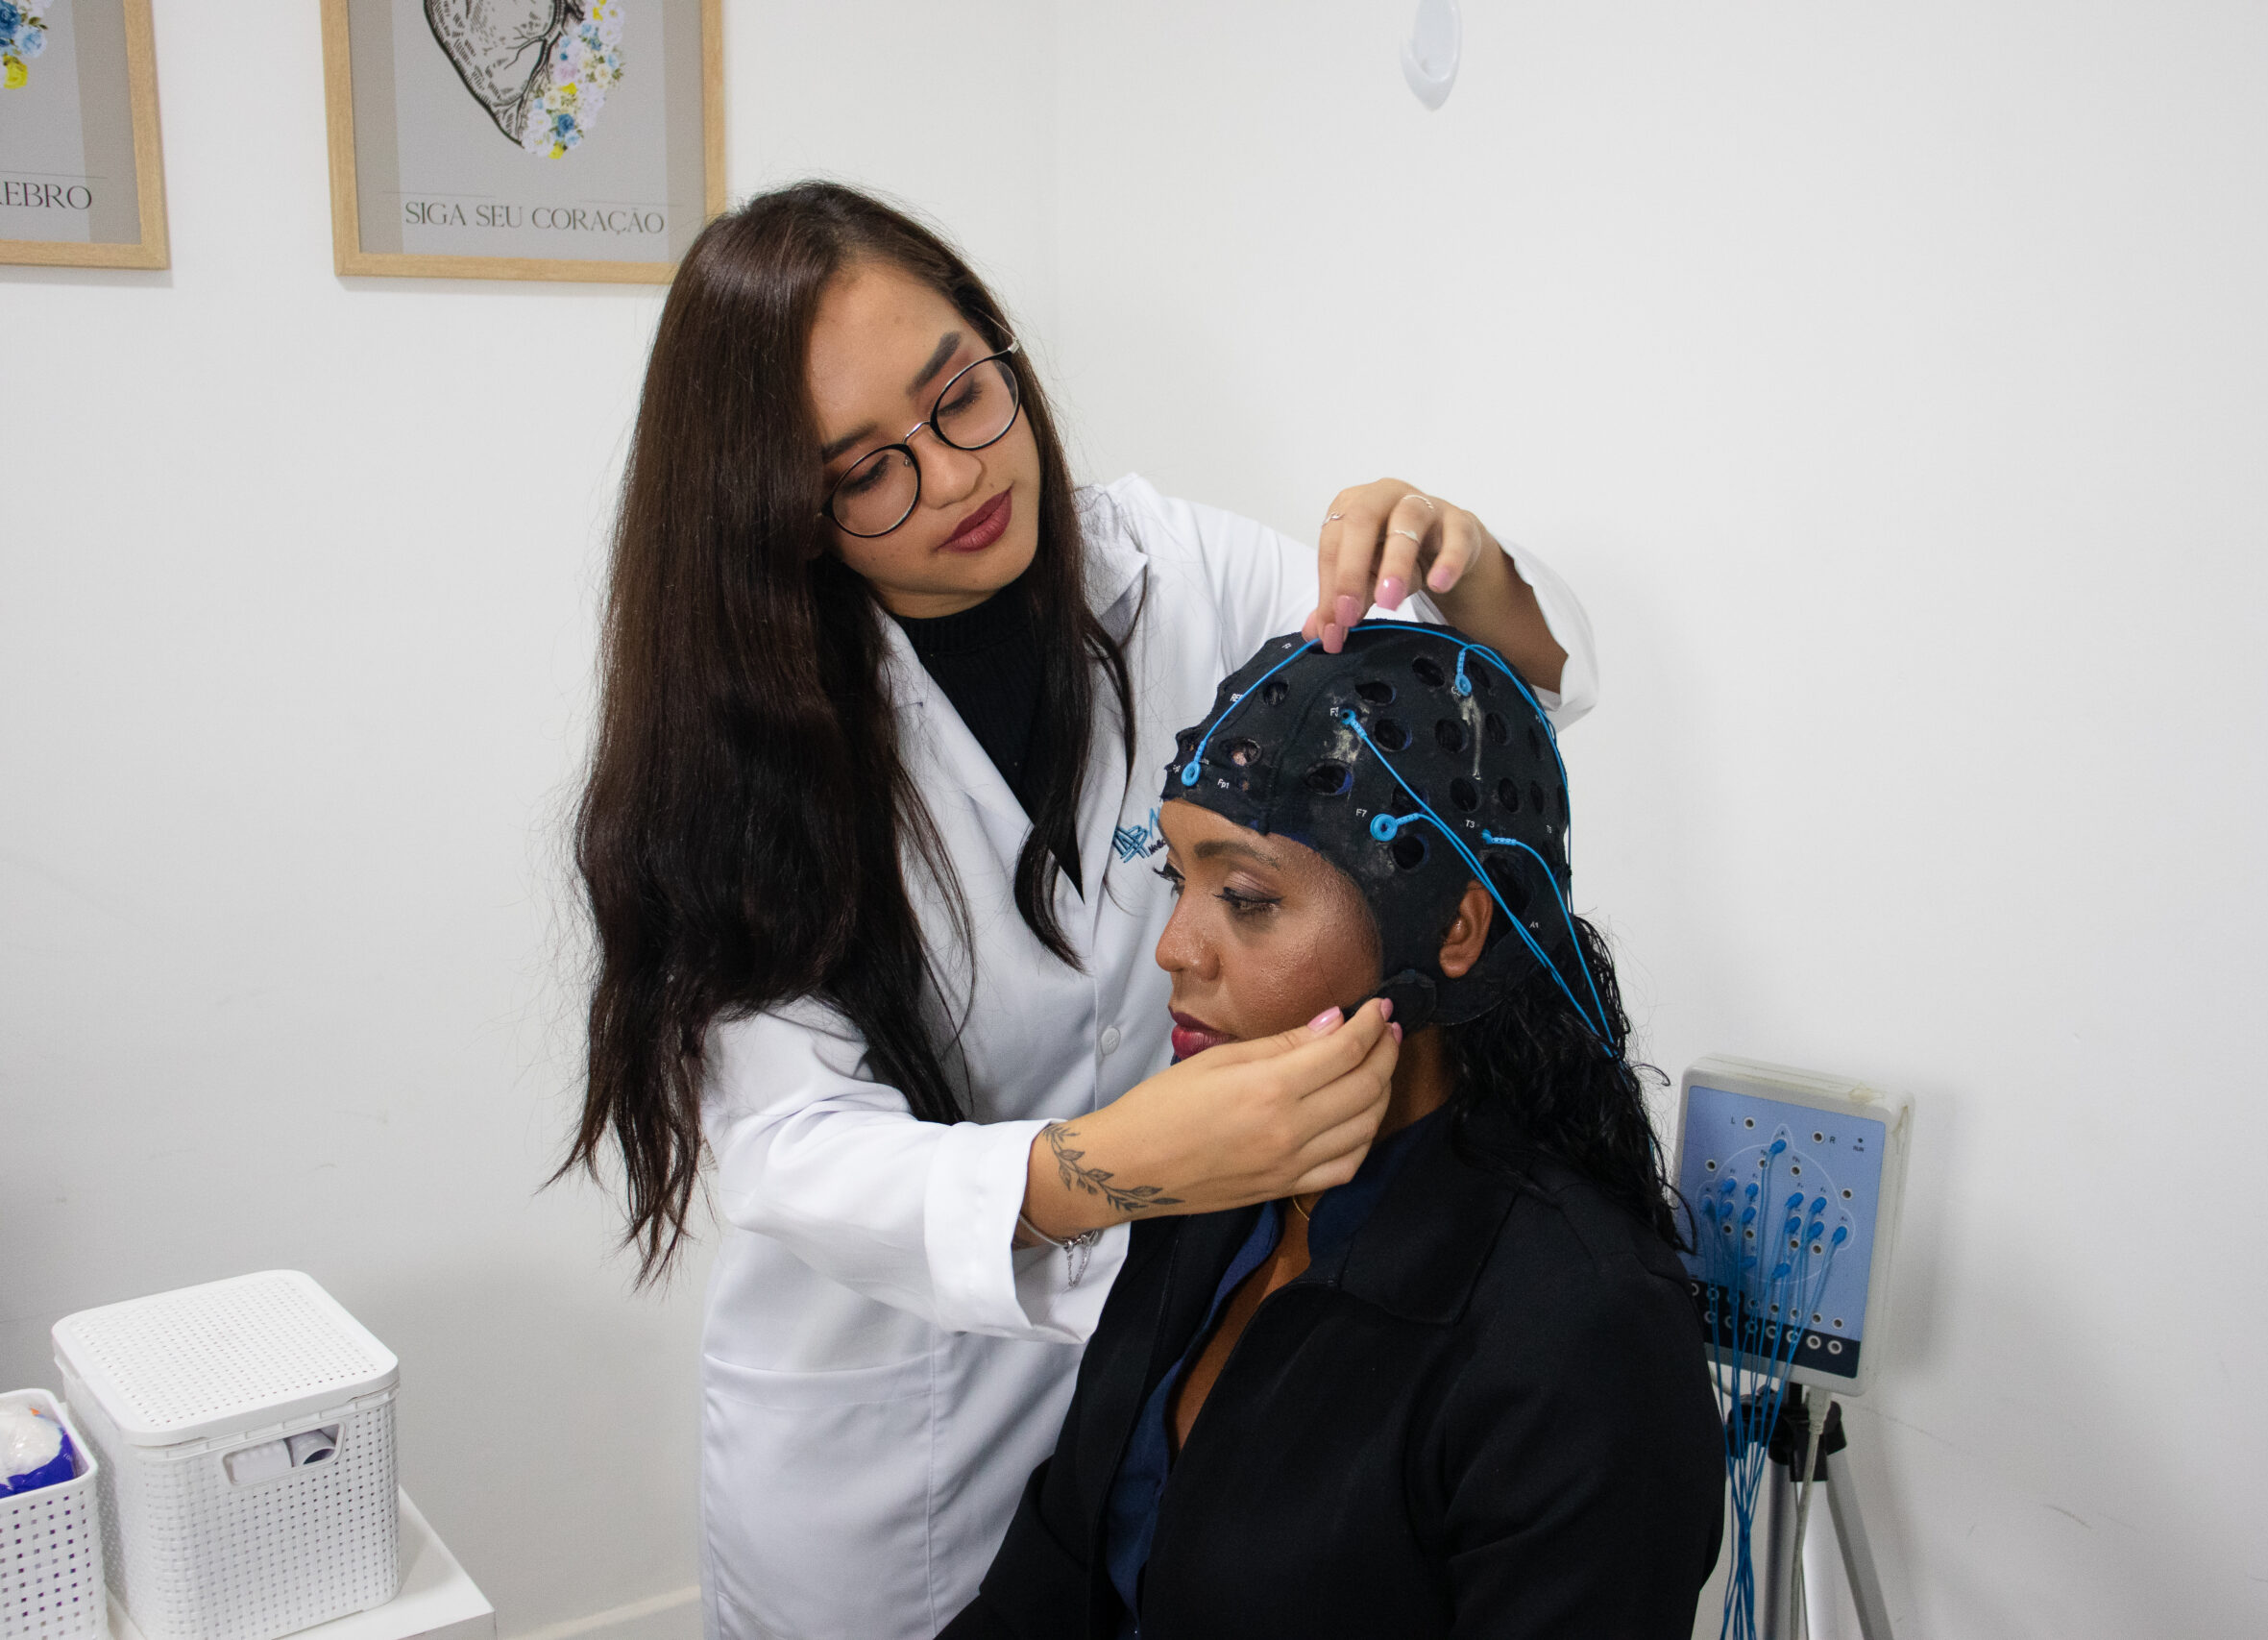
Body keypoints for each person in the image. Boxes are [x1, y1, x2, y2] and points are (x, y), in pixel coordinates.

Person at [559, 181, 1603, 1640]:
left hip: (1144, 1370)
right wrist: (1112, 1168)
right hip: (883, 1435)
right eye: (867, 471)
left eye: (961, 397)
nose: (953, 476)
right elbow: (795, 1150)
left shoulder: (1172, 572)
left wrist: (1464, 561)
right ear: (779, 515)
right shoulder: (743, 751)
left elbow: (1480, 702)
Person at [945, 624, 1723, 1639]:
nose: (1174, 948)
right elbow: (1048, 1588)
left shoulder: (1585, 1333)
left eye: (1246, 898)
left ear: (1454, 929)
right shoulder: (1210, 1186)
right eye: (1176, 880)